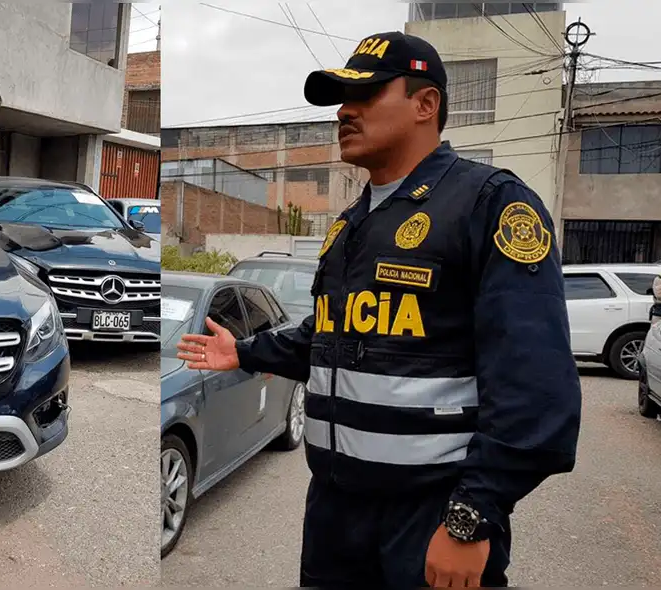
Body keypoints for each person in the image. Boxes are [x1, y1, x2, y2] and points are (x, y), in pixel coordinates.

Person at [176, 31, 582, 588]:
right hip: (336, 513)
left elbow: (536, 389)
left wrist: (472, 518)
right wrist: (243, 351)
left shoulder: (489, 204)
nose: (345, 111)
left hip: (430, 514)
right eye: (343, 100)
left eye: (364, 96)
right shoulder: (351, 223)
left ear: (425, 104)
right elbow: (332, 336)